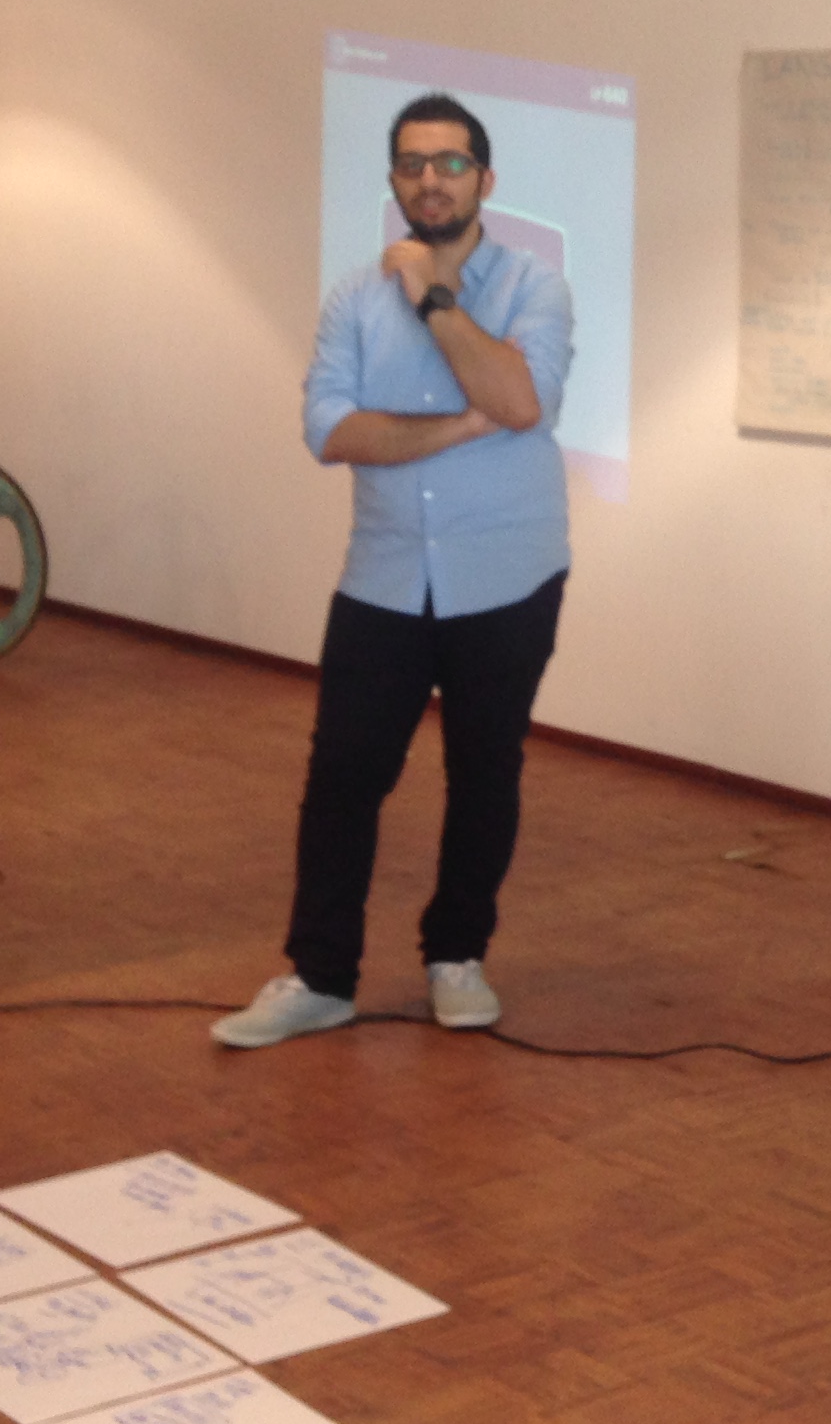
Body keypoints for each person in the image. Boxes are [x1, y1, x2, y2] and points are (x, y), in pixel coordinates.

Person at [212, 92, 573, 1048]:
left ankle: (457, 957)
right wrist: (460, 425)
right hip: (383, 576)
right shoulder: (351, 299)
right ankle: (320, 975)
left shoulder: (534, 287)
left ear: (485, 179)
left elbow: (521, 402)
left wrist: (433, 298)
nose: (430, 181)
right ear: (392, 180)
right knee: (342, 776)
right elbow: (329, 431)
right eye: (412, 164)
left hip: (508, 572)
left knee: (484, 773)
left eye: (450, 164)